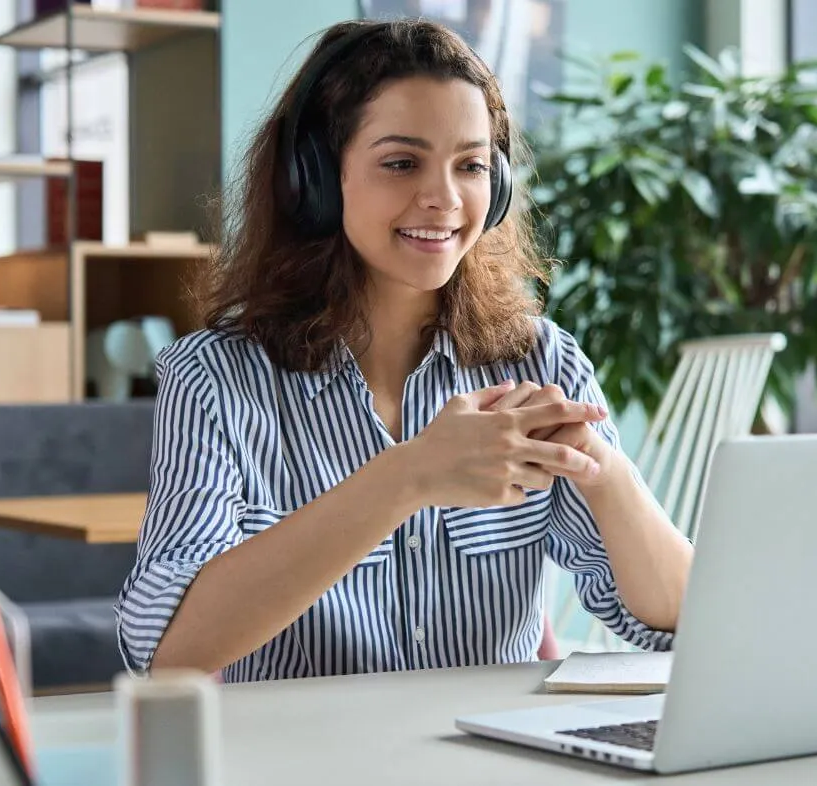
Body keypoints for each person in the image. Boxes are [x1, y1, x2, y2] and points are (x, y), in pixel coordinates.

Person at [114, 18, 693, 683]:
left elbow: (682, 623)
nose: (444, 198)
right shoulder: (216, 378)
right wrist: (409, 476)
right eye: (401, 162)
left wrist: (605, 472)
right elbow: (168, 650)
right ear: (317, 180)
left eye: (471, 165)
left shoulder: (541, 361)